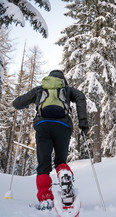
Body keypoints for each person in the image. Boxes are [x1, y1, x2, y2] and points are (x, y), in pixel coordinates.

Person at [12, 70, 88, 209]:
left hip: (43, 126)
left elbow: (17, 103)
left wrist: (21, 104)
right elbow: (80, 97)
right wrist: (83, 121)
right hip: (63, 125)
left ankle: (45, 198)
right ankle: (64, 175)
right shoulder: (66, 89)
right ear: (62, 79)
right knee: (60, 161)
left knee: (44, 164)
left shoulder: (40, 89)